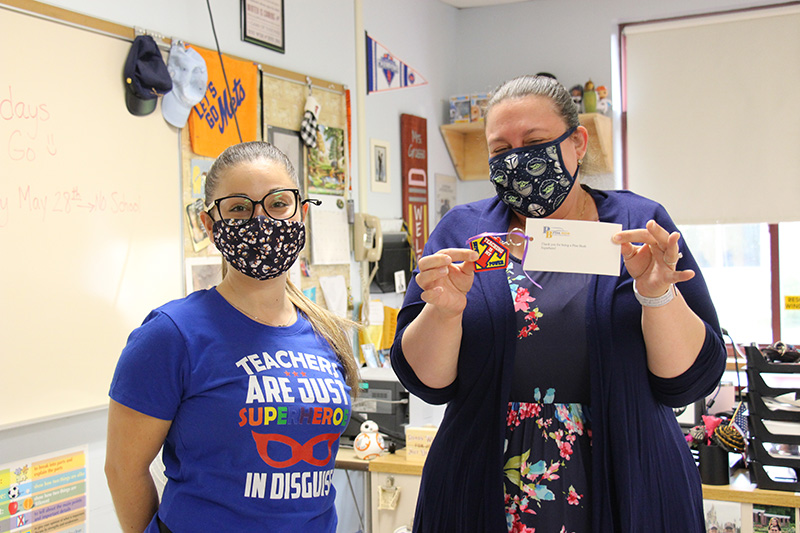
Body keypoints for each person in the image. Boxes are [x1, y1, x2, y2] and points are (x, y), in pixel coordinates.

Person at [390, 75, 726, 532]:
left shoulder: (638, 223)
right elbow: (427, 382)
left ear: (578, 143)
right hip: (483, 482)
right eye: (500, 148)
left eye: (535, 141)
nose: (518, 158)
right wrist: (444, 311)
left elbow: (687, 381)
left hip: (629, 476)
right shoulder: (462, 232)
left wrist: (657, 296)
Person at [105, 141, 360, 532]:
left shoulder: (327, 333)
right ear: (210, 225)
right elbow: (123, 469)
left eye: (278, 204)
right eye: (240, 208)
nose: (261, 221)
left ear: (301, 213)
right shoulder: (171, 335)